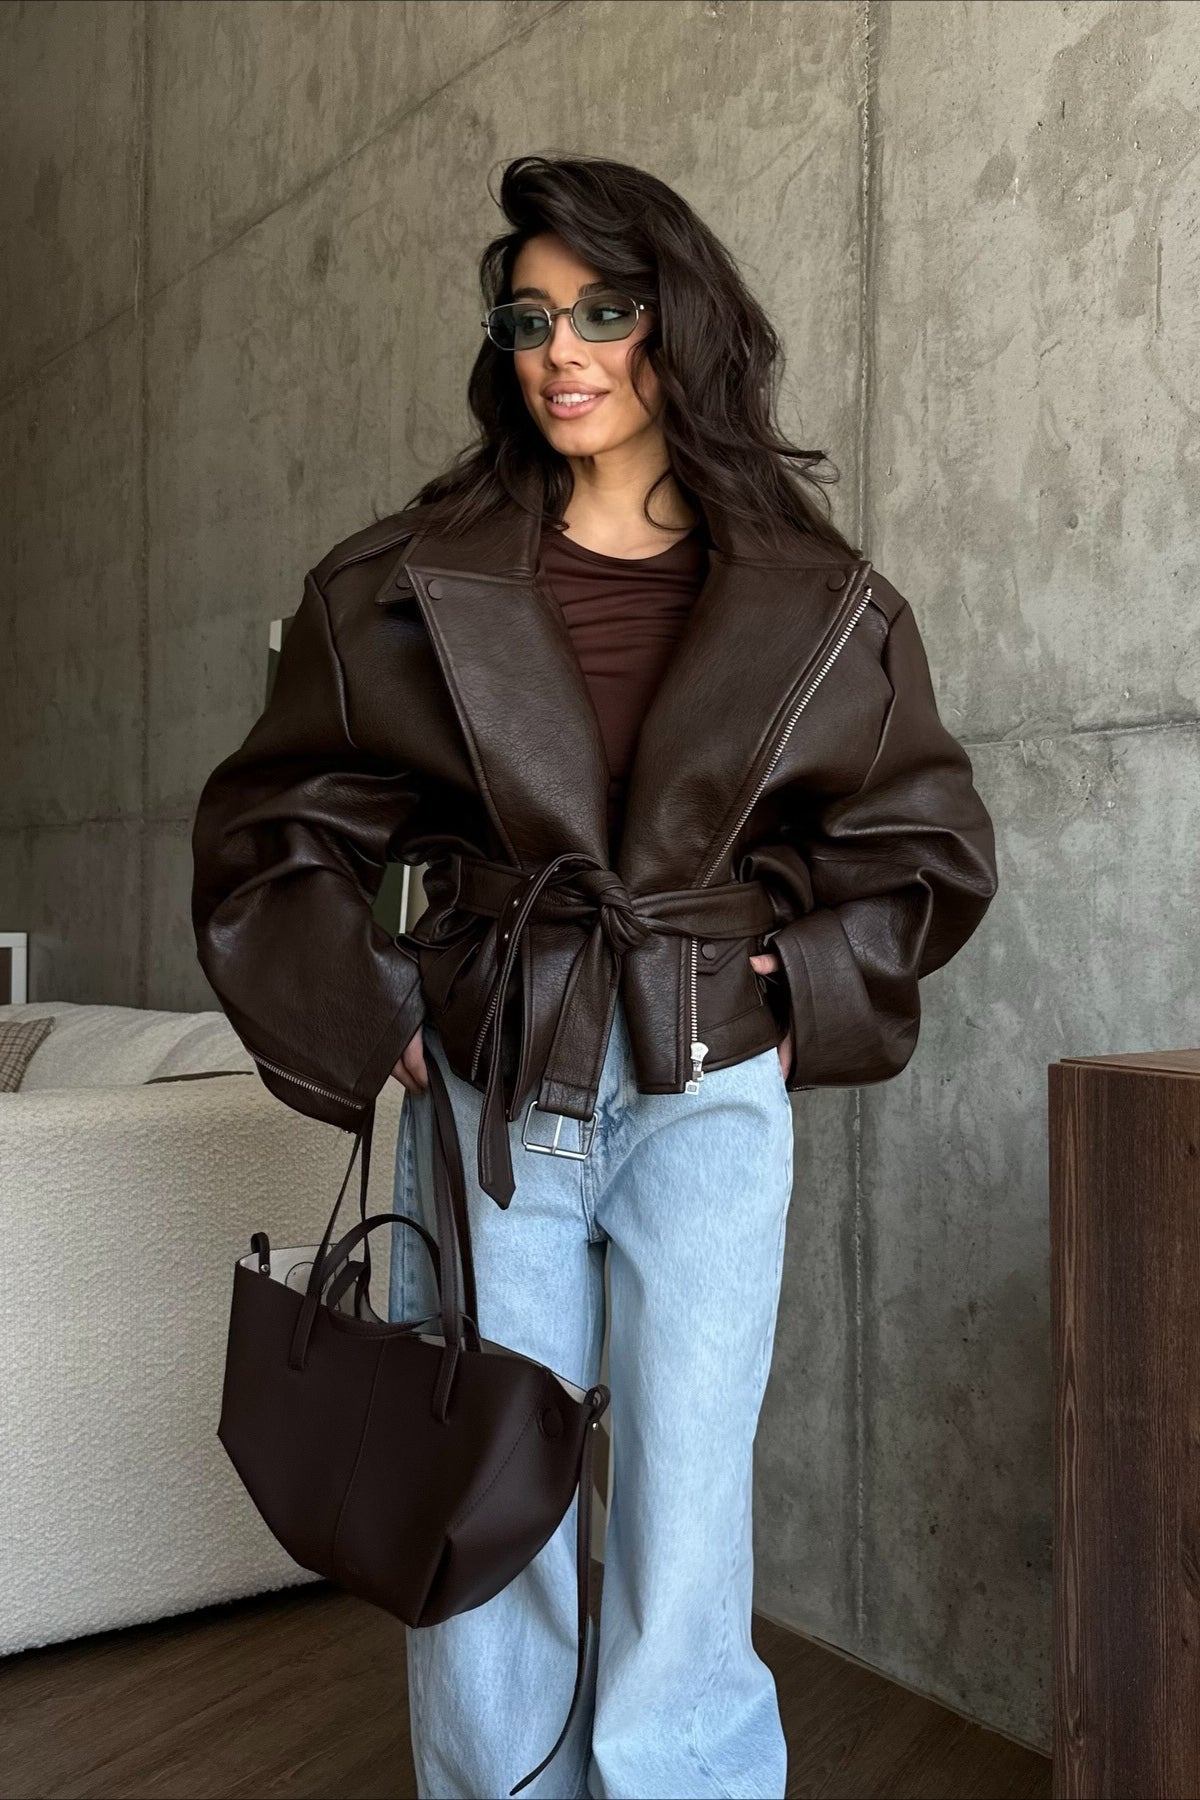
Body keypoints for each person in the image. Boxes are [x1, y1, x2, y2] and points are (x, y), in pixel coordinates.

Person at [191, 154, 999, 1800]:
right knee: (485, 1488)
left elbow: (923, 846)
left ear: (676, 323)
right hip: (496, 1072)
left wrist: (791, 985)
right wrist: (379, 1015)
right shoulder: (402, 585)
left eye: (602, 312)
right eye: (530, 320)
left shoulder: (819, 598)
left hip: (712, 1083)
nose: (560, 351)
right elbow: (271, 830)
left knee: (690, 1505)